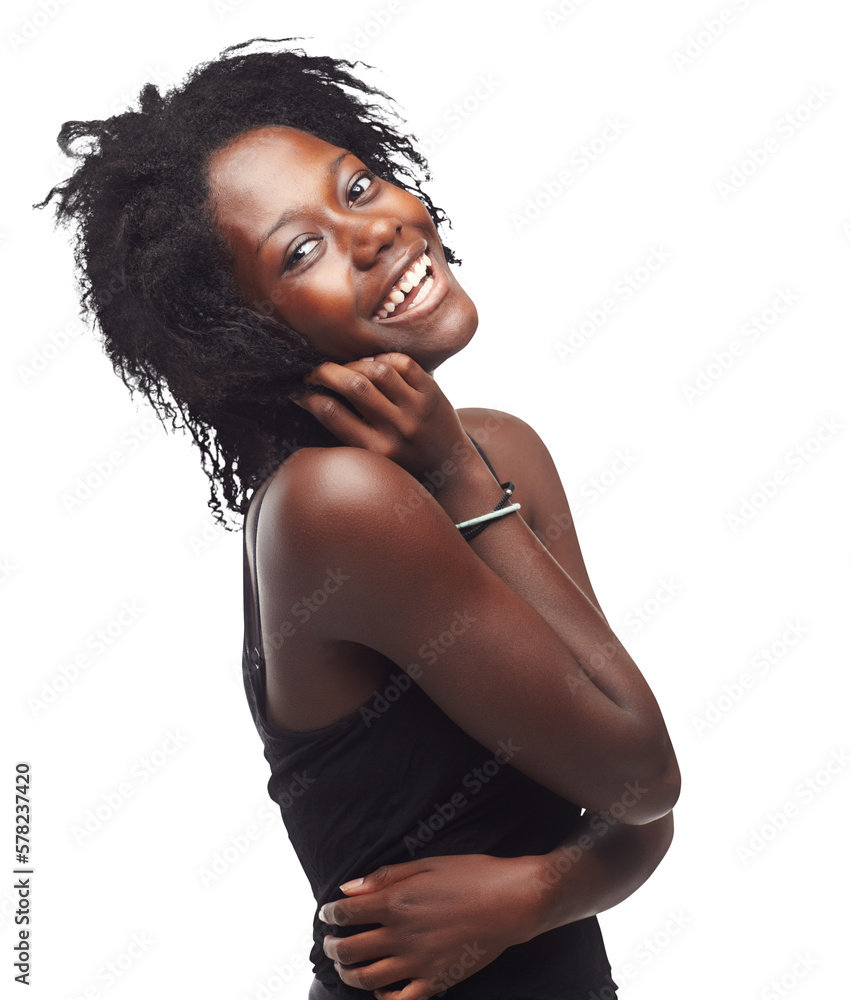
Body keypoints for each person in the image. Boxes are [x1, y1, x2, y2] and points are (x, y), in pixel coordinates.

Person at [38, 38, 681, 1000]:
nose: (373, 232)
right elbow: (640, 777)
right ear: (242, 334)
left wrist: (535, 897)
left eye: (358, 186)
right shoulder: (335, 505)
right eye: (300, 251)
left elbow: (637, 807)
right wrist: (459, 479)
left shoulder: (496, 451)